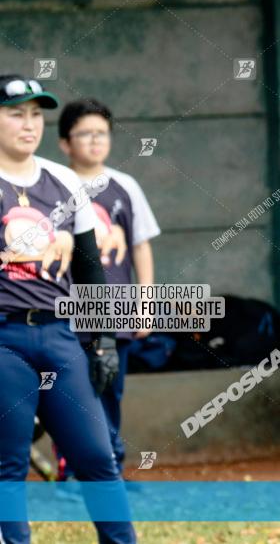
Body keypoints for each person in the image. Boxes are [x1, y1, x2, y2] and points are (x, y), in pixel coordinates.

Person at [0, 75, 136, 543]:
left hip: (60, 337)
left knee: (98, 457)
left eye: (36, 114)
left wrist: (102, 341)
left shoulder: (62, 181)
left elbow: (90, 270)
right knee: (8, 465)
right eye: (16, 113)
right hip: (3, 341)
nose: (28, 124)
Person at [58, 98, 162, 475]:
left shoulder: (125, 186)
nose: (95, 141)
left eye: (101, 133)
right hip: (65, 312)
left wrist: (145, 302)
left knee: (111, 389)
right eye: (85, 133)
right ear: (65, 143)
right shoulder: (53, 182)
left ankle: (111, 469)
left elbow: (141, 246)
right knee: (71, 394)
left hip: (115, 311)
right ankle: (71, 471)